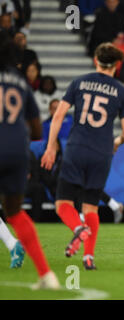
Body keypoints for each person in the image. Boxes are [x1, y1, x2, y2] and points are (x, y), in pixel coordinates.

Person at [41, 43, 124, 270]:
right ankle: (88, 257)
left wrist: (51, 146)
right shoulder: (122, 91)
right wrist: (117, 142)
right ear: (117, 65)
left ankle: (78, 229)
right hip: (102, 152)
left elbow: (58, 116)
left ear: (95, 60)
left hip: (77, 148)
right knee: (90, 207)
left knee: (63, 203)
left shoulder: (79, 82)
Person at [0, 31, 60, 288]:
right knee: (14, 211)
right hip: (18, 150)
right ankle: (47, 275)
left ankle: (13, 245)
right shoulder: (22, 84)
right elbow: (37, 132)